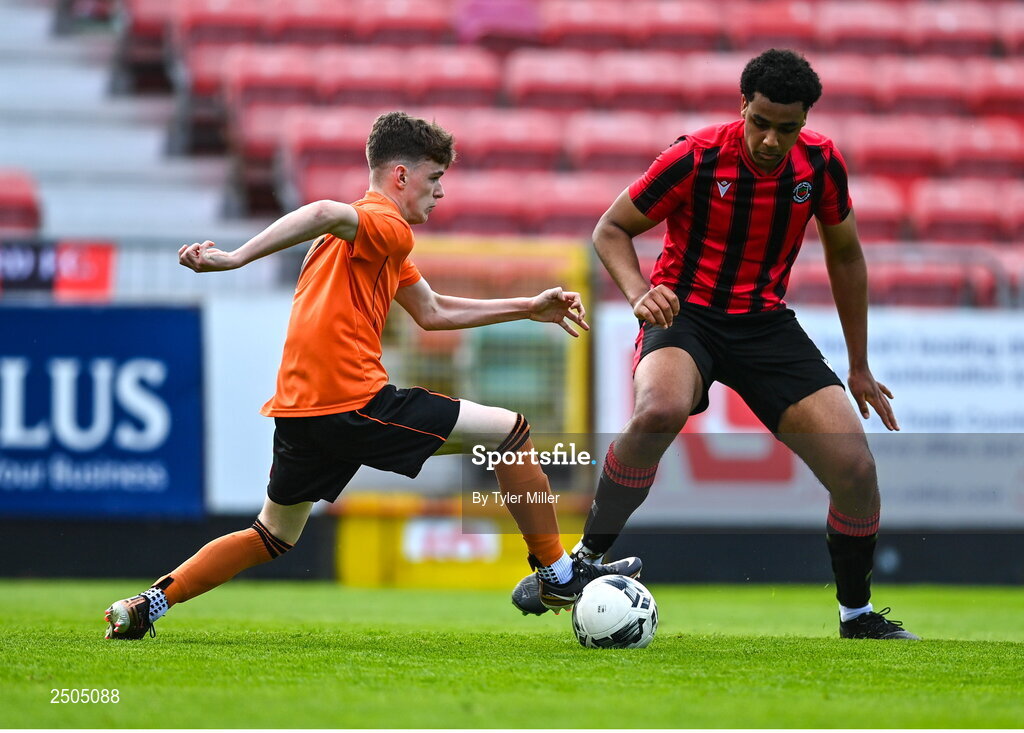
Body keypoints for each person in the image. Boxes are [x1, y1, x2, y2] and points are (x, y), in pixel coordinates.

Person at [104, 111, 640, 640]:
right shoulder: (385, 223)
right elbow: (319, 210)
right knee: (511, 433)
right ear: (400, 176)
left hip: (300, 411)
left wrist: (529, 306)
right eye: (435, 179)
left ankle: (147, 604)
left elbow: (433, 313)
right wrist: (235, 259)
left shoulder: (377, 242)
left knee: (270, 534)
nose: (441, 194)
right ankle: (559, 575)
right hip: (353, 402)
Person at [512, 50, 918, 640]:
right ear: (743, 108)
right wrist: (638, 293)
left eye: (788, 128)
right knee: (659, 409)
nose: (773, 140)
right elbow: (611, 228)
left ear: (804, 122)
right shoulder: (696, 157)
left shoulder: (822, 164)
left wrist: (858, 365)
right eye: (762, 123)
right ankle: (582, 562)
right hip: (685, 312)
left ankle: (856, 615)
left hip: (765, 323)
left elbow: (847, 255)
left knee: (855, 469)